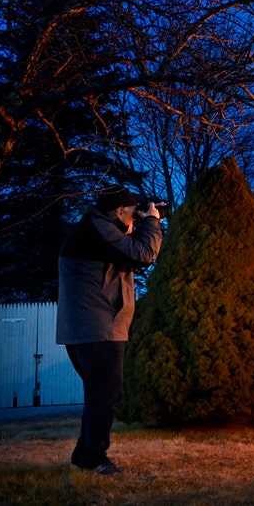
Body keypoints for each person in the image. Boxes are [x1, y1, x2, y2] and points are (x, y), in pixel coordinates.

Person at [57, 186, 163, 475]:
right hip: (98, 327)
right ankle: (93, 457)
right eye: (130, 215)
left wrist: (141, 221)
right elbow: (144, 254)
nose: (132, 221)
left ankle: (85, 455)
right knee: (106, 395)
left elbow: (127, 251)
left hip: (90, 327)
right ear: (118, 211)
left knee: (100, 395)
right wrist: (151, 222)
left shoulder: (94, 229)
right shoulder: (99, 230)